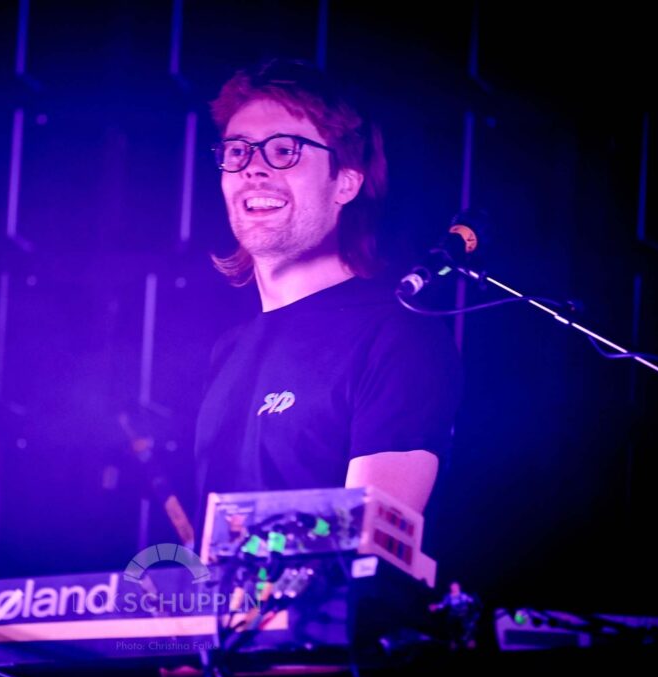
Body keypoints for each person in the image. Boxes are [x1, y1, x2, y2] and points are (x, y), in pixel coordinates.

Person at [194, 59, 462, 515]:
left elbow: (370, 545)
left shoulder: (397, 338)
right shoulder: (229, 349)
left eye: (284, 150)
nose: (253, 169)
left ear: (347, 182)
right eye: (238, 151)